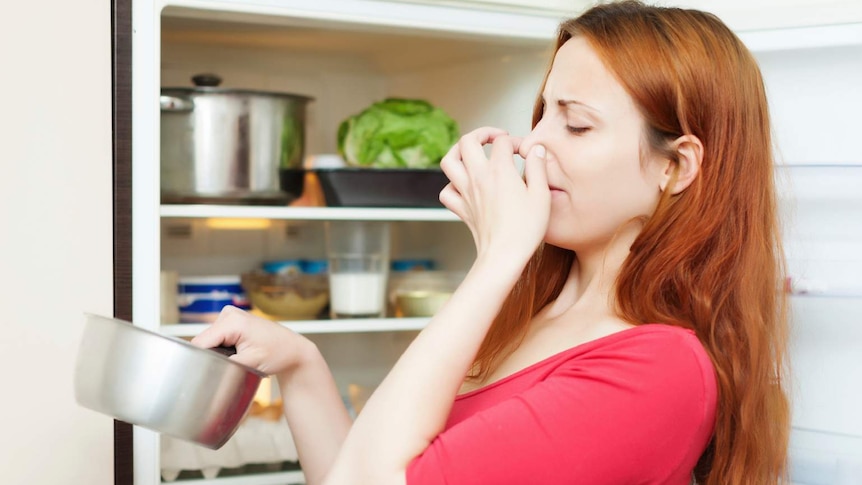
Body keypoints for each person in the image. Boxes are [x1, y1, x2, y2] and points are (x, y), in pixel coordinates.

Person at [192, 1, 791, 483]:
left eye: (576, 123)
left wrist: (500, 255)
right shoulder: (531, 314)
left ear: (677, 168)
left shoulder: (657, 371)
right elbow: (367, 470)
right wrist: (300, 364)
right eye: (541, 115)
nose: (534, 144)